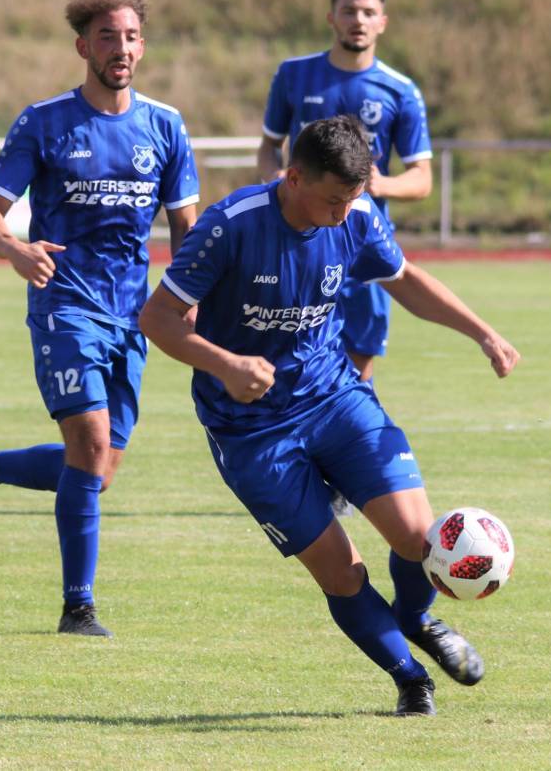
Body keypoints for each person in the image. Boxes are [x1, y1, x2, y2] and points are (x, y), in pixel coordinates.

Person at [139, 115, 519, 716]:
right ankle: (409, 677)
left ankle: (417, 618)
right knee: (341, 574)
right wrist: (225, 364)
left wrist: (483, 333)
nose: (347, 211)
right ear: (292, 178)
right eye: (335, 199)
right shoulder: (229, 227)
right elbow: (156, 320)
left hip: (335, 398)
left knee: (419, 538)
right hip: (249, 430)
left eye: (355, 197)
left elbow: (407, 280)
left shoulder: (359, 215)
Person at [0, 0, 199, 638]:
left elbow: (187, 232)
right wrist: (19, 251)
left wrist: (190, 300)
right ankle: (77, 606)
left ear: (143, 46)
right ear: (83, 46)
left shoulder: (165, 127)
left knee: (99, 470)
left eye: (132, 36)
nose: (122, 47)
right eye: (108, 36)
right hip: (65, 305)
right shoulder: (44, 121)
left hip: (132, 315)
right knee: (86, 444)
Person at [256, 0, 433, 385]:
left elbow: (422, 179)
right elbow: (268, 146)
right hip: (298, 242)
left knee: (356, 372)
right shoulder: (294, 75)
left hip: (363, 248)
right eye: (349, 11)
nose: (359, 19)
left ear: (382, 22)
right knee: (284, 362)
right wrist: (276, 180)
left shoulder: (399, 90)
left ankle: (346, 444)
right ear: (331, 18)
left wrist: (379, 184)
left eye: (369, 12)